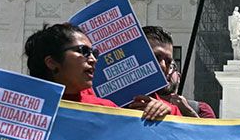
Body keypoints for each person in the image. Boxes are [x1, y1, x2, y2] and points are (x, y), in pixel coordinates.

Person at [24, 23, 171, 119]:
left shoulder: (106, 110)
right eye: (84, 51)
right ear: (51, 62)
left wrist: (165, 114)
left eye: (95, 53)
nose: (93, 59)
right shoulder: (21, 108)